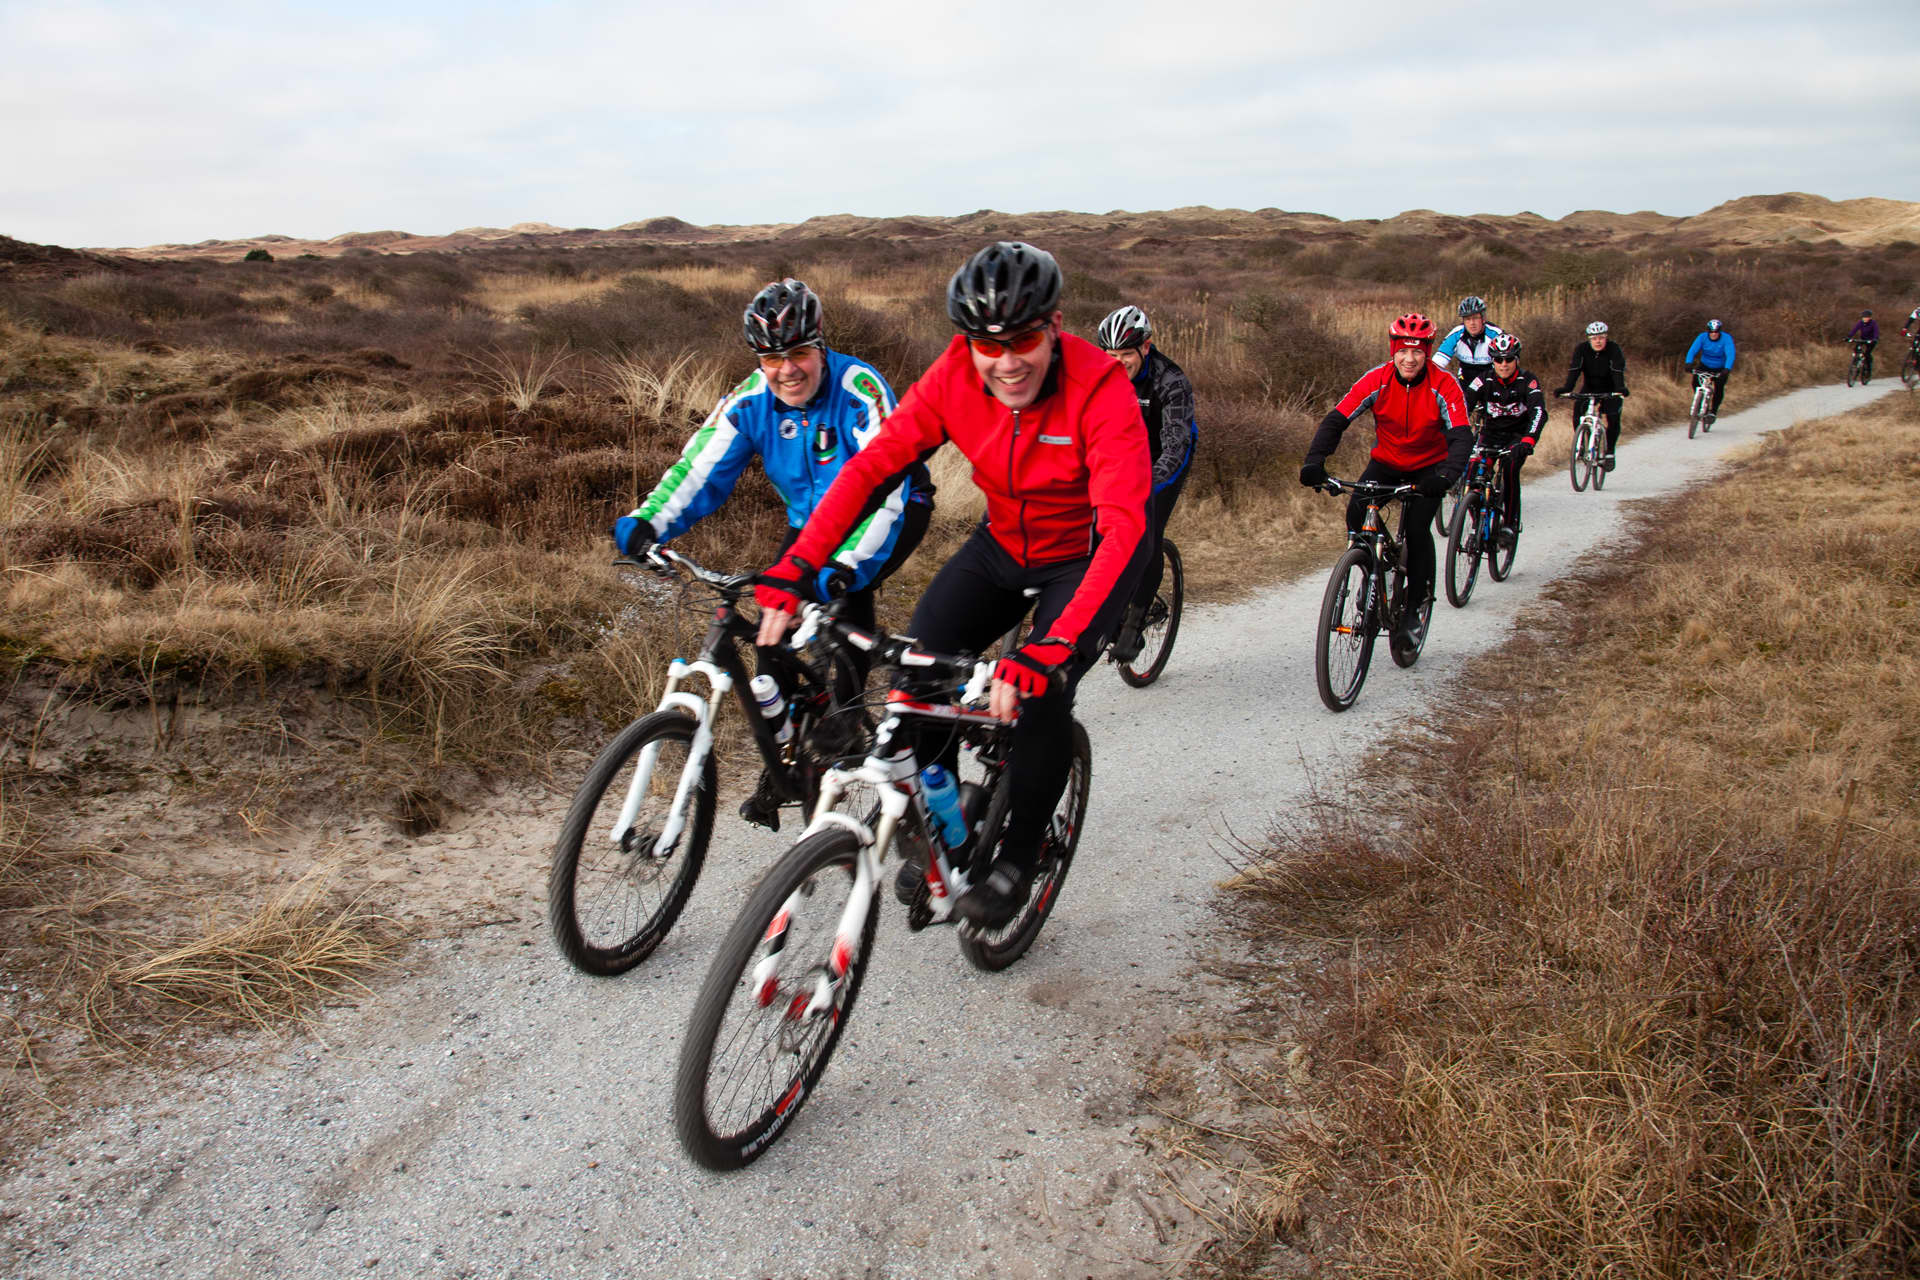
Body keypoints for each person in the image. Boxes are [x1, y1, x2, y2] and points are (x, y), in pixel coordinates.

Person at [753, 242, 1150, 929]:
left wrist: (1049, 647)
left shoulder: (1101, 389)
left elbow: (1123, 529)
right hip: (1001, 546)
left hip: (1080, 559)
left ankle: (1020, 857)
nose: (1006, 361)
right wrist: (800, 566)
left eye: (1024, 338)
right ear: (965, 342)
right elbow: (870, 470)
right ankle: (945, 809)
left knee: (1042, 700)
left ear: (1054, 326)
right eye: (986, 345)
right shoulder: (952, 377)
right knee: (917, 676)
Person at [613, 278, 934, 827]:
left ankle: (846, 718)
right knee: (770, 634)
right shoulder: (751, 401)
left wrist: (842, 568)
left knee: (843, 603)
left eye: (799, 353)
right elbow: (699, 469)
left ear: (821, 345)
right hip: (809, 525)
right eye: (770, 357)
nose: (787, 369)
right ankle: (785, 759)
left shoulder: (860, 388)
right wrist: (650, 522)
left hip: (889, 512)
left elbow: (890, 492)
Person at [1299, 313, 1471, 651]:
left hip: (1429, 467)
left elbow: (1462, 435)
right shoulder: (1376, 379)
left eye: (1418, 352)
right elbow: (1337, 419)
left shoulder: (1444, 384)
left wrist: (1447, 476)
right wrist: (1314, 462)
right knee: (1355, 516)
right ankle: (1375, 565)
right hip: (1387, 462)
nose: (1410, 359)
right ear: (1393, 351)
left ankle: (1414, 606)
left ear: (1427, 352)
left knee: (1419, 529)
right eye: (1403, 351)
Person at [1094, 304, 1195, 664]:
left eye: (1125, 354)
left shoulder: (1171, 381)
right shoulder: (1100, 376)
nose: (1118, 362)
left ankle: (1135, 621)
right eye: (1110, 355)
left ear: (1146, 347)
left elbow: (1174, 445)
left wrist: (1143, 486)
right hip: (1124, 452)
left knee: (1146, 529)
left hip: (1165, 457)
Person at [1475, 333, 1546, 542]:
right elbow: (1463, 403)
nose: (1503, 364)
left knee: (1510, 468)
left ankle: (1509, 523)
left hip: (1516, 437)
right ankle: (1478, 518)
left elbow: (1539, 411)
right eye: (1498, 359)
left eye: (1508, 359)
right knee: (1473, 473)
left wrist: (1529, 439)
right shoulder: (1483, 379)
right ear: (1492, 361)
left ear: (1517, 360)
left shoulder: (1528, 380)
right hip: (1490, 434)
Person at [1554, 321, 1629, 470]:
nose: (1598, 341)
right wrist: (1567, 388)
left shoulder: (1614, 349)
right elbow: (1574, 369)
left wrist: (1620, 388)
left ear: (1606, 337)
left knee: (1613, 418)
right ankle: (1582, 443)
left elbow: (1617, 370)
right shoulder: (1582, 349)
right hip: (1590, 387)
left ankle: (1609, 453)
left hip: (1611, 387)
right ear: (1589, 339)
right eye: (1594, 338)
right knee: (1577, 414)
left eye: (1601, 338)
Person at [1432, 296, 1507, 409]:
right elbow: (1437, 363)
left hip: (1490, 375)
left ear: (1483, 318)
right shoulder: (1456, 334)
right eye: (1467, 319)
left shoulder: (1495, 334)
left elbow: (1507, 362)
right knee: (1457, 407)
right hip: (1466, 376)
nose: (1472, 323)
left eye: (1475, 318)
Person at [1683, 318, 1736, 423]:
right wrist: (1688, 362)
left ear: (1719, 331)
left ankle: (1713, 412)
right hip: (1705, 364)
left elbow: (1730, 354)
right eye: (1711, 332)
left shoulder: (1726, 338)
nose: (1713, 334)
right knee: (1695, 382)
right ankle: (1701, 404)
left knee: (1719, 387)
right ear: (1708, 331)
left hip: (1720, 367)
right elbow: (1692, 350)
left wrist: (1727, 368)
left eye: (1716, 332)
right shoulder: (1702, 337)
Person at [1848, 310, 1878, 382]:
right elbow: (1854, 330)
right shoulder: (1860, 323)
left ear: (1870, 318)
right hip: (1863, 339)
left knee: (1867, 354)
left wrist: (1875, 338)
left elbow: (1876, 332)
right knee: (1856, 349)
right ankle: (1855, 363)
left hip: (1871, 341)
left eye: (1867, 317)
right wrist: (1848, 337)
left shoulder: (1873, 323)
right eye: (1863, 317)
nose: (1865, 319)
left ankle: (1868, 370)